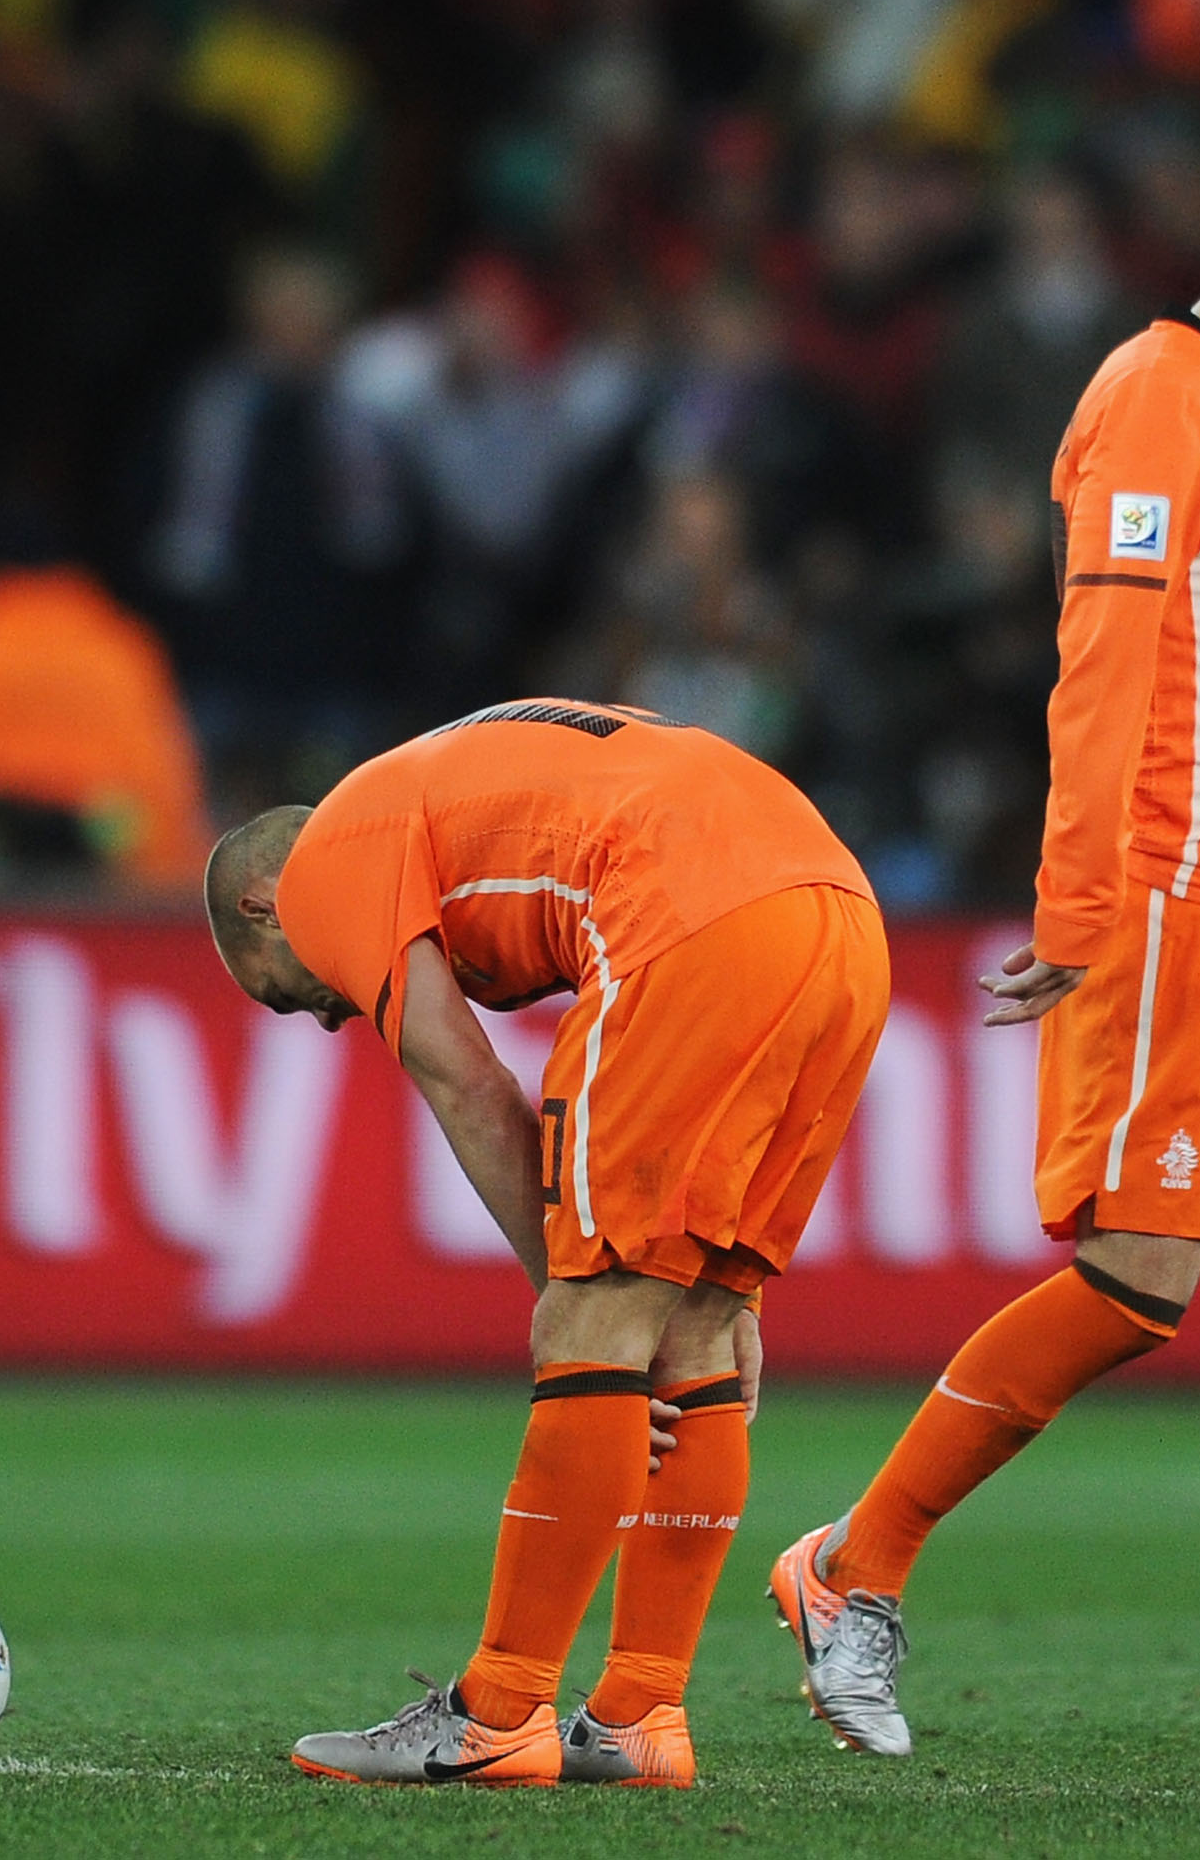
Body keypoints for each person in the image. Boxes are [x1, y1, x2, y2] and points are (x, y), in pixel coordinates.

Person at [767, 107, 1200, 1765]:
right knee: (1134, 1284)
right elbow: (1102, 667)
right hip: (1182, 906)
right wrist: (1082, 905)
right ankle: (849, 1566)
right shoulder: (1158, 395)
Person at [205, 699, 888, 1787]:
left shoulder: (326, 861)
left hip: (688, 908)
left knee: (596, 1317)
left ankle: (497, 1712)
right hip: (843, 914)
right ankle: (639, 1717)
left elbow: (469, 1084)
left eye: (287, 1000)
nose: (327, 1019)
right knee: (699, 1323)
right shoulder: (424, 787)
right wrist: (713, 1294)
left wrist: (576, 1297)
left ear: (260, 903)